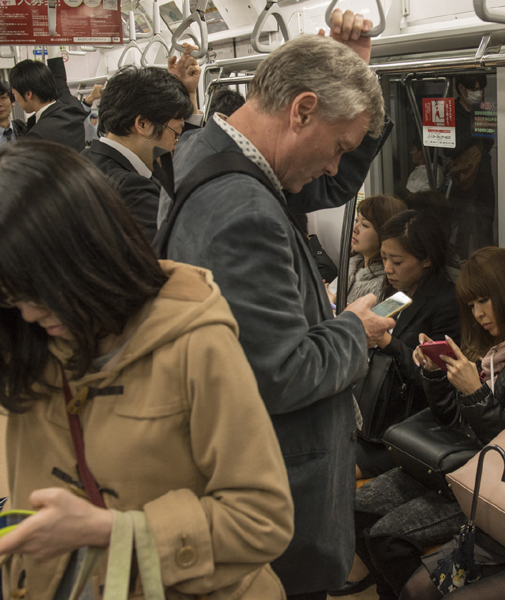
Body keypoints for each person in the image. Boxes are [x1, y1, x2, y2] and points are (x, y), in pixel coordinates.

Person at [0, 141, 294, 600]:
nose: (28, 314)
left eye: (36, 293)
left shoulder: (193, 341)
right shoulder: (14, 327)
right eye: (8, 297)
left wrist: (116, 530)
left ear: (88, 254)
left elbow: (261, 518)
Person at [164, 13, 395, 600]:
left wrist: (354, 74)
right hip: (276, 498)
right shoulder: (243, 212)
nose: (335, 168)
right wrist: (352, 330)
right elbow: (277, 373)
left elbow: (328, 184)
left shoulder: (206, 151)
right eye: (339, 146)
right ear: (302, 110)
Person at [357, 247, 505, 600]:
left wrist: (475, 392)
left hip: (489, 478)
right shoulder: (490, 346)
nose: (478, 314)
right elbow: (449, 419)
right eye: (471, 305)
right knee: (356, 510)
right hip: (453, 459)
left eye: (484, 301)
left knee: (388, 538)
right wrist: (435, 375)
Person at [356, 209, 460, 479]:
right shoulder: (396, 291)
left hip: (407, 423)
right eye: (384, 258)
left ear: (426, 259)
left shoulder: (446, 302)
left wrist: (387, 341)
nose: (388, 269)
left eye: (397, 261)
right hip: (370, 411)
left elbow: (438, 383)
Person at [82, 65, 194, 242]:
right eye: (176, 134)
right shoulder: (133, 190)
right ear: (142, 124)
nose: (176, 144)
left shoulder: (84, 161)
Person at [444, 74, 495, 259]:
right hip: (463, 175)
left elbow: (488, 144)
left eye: (481, 89)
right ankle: (462, 262)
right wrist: (475, 131)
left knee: (486, 222)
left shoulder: (483, 109)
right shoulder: (451, 111)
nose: (478, 93)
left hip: (483, 171)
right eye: (474, 89)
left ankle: (487, 261)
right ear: (461, 88)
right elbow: (449, 148)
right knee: (463, 225)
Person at [326, 194, 407, 306]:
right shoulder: (352, 265)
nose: (354, 229)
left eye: (364, 225)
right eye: (356, 220)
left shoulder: (388, 282)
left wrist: (329, 303)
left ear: (383, 232)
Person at [9, 57, 87, 151]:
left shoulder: (37, 135)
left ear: (28, 94)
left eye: (14, 94)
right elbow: (61, 83)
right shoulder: (73, 110)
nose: (16, 99)